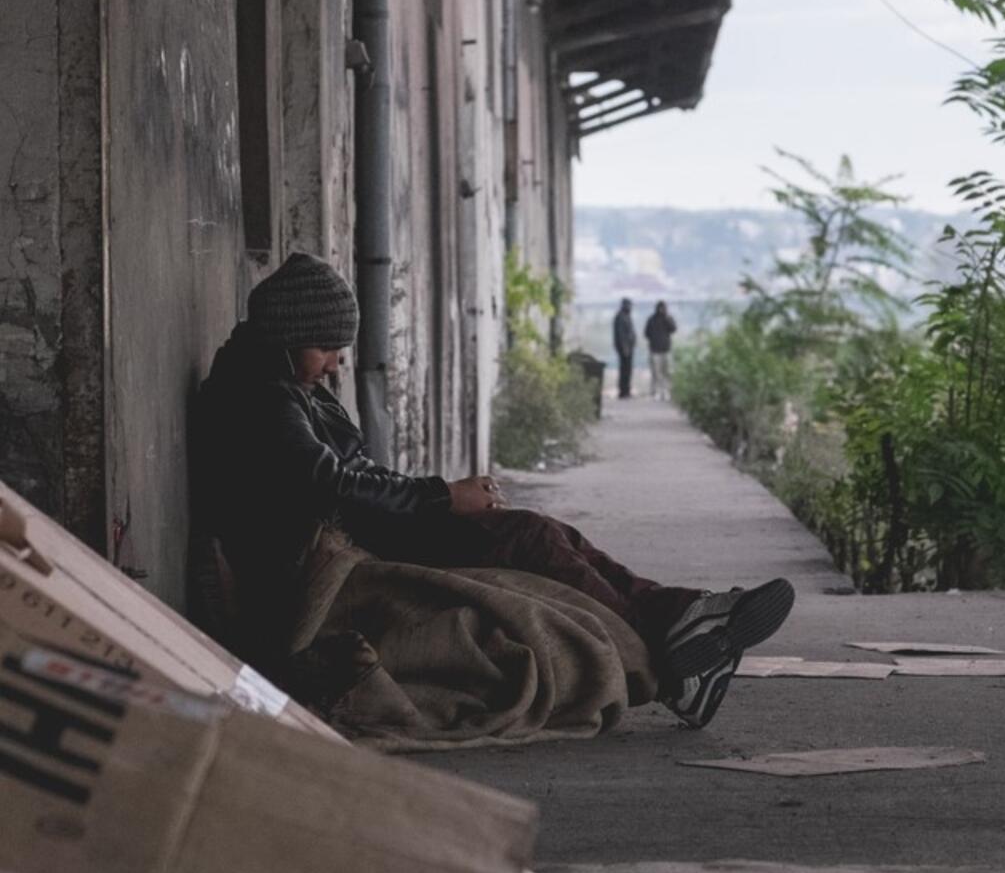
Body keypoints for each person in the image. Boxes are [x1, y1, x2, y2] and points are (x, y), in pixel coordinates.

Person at [196, 254, 793, 728]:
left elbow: (348, 474)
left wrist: (439, 494)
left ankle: (681, 617)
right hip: (339, 555)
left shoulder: (281, 383)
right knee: (532, 538)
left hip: (369, 525)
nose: (333, 364)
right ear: (288, 335)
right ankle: (675, 643)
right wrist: (440, 499)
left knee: (550, 535)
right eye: (325, 348)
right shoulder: (262, 397)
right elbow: (331, 484)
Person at [644, 301, 677, 400]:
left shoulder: (668, 318)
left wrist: (666, 318)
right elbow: (646, 333)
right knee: (656, 373)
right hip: (655, 350)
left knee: (667, 372)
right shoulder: (651, 319)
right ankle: (657, 392)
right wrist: (654, 339)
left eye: (663, 308)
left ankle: (667, 391)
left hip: (666, 349)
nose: (661, 310)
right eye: (660, 308)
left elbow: (673, 329)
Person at [612, 297, 636, 399]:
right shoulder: (620, 317)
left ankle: (626, 390)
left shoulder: (627, 316)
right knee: (624, 370)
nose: (630, 307)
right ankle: (623, 391)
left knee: (628, 370)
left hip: (629, 348)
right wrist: (624, 347)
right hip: (624, 349)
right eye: (628, 305)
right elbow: (620, 335)